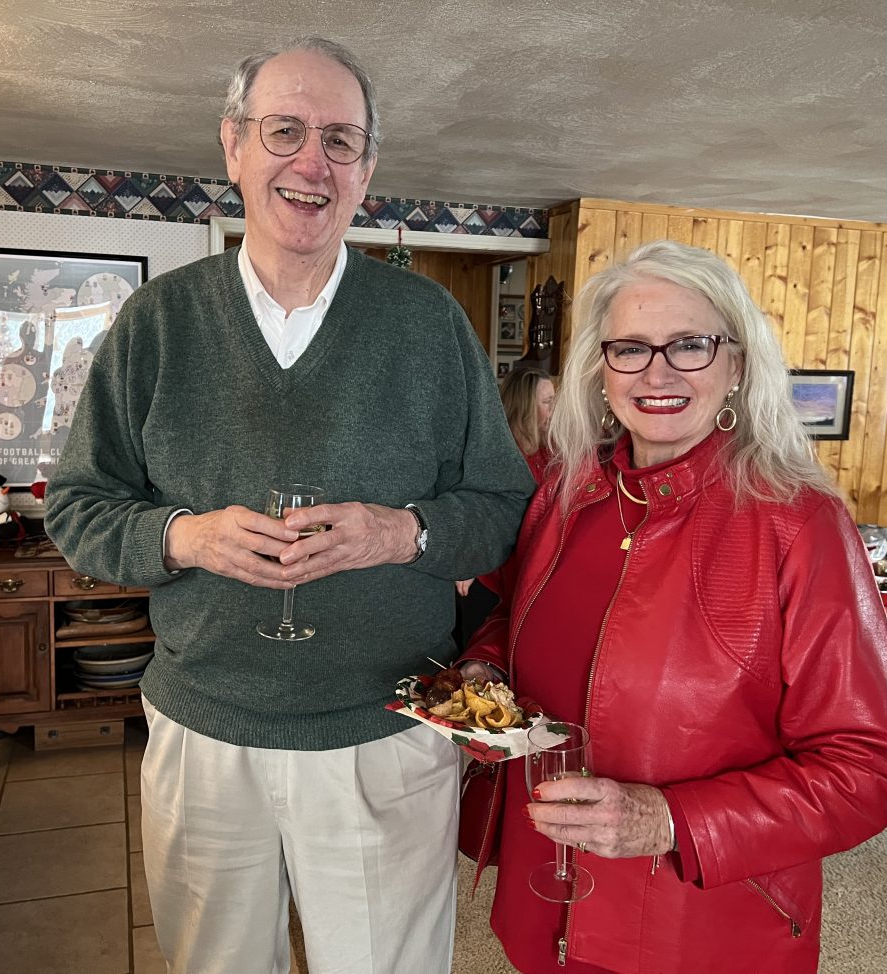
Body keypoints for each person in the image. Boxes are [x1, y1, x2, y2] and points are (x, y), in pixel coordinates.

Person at [45, 37, 535, 974]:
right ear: (233, 148)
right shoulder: (156, 323)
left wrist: (403, 532)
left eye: (341, 139)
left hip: (387, 731)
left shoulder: (428, 325)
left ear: (367, 170)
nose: (312, 161)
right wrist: (183, 537)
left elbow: (502, 506)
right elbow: (78, 504)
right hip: (204, 733)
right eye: (285, 131)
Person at [461, 240, 887, 973]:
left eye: (691, 345)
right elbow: (511, 620)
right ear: (600, 368)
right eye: (631, 349)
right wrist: (484, 675)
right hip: (544, 893)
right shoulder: (567, 493)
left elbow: (871, 766)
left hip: (695, 928)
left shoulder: (797, 523)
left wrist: (670, 819)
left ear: (736, 364)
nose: (659, 373)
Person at [454, 366, 555, 646]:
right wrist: (469, 558)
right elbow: (476, 507)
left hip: (528, 578)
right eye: (547, 402)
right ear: (524, 408)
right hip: (491, 580)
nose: (554, 410)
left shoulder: (549, 451)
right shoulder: (497, 456)